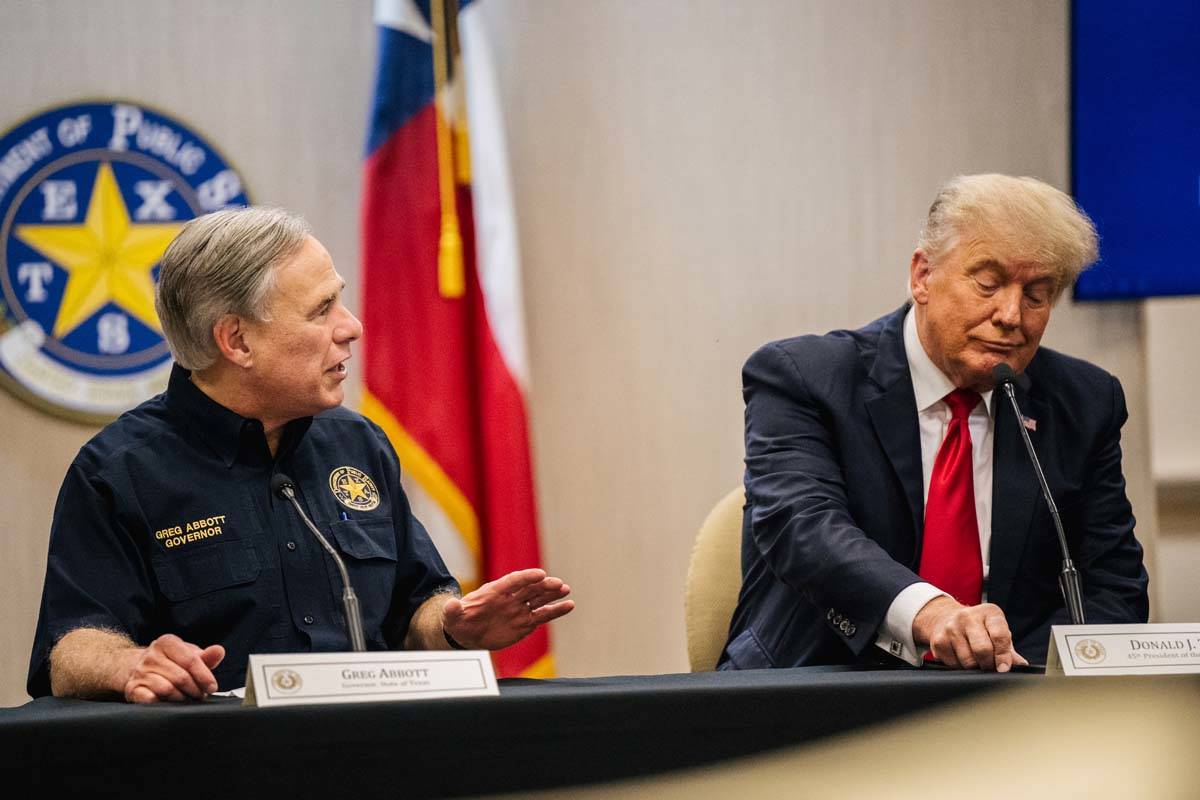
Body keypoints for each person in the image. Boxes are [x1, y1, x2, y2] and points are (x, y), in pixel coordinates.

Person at [28, 207, 573, 702]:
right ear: (237, 342)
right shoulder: (118, 470)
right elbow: (71, 647)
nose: (351, 327)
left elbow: (416, 609)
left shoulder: (359, 444)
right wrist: (130, 663)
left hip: (377, 761)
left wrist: (456, 627)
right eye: (322, 310)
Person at [719, 174, 1148, 673]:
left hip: (1007, 710)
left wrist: (1030, 680)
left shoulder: (1084, 402)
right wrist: (930, 611)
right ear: (922, 276)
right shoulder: (805, 378)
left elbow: (1112, 585)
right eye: (987, 283)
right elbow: (805, 529)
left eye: (1036, 294)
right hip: (820, 692)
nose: (1010, 314)